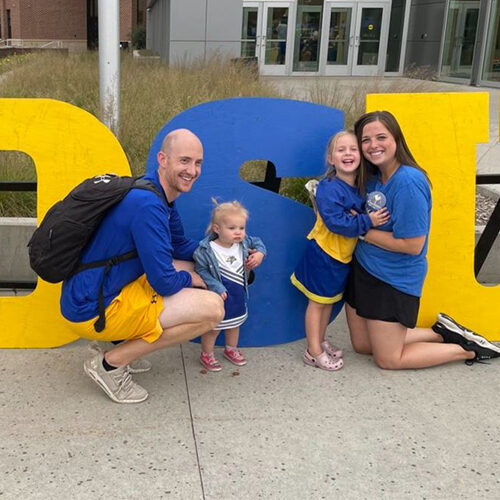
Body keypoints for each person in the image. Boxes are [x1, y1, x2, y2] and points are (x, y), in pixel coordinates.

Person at [60, 129, 224, 403]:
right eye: (184, 161)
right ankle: (110, 364)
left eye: (198, 163)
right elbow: (164, 282)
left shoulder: (154, 192)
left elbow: (181, 246)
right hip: (93, 308)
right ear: (163, 159)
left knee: (187, 265)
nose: (192, 170)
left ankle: (122, 345)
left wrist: (222, 251)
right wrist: (197, 280)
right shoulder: (149, 206)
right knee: (212, 310)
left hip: (91, 292)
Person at [345, 110, 500, 369]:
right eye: (365, 140)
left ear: (396, 139)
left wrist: (361, 231)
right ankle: (440, 332)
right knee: (362, 346)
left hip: (392, 278)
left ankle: (467, 349)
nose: (373, 146)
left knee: (389, 359)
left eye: (381, 137)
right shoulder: (371, 177)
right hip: (363, 269)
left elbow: (412, 245)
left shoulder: (408, 182)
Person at [291, 130, 389, 371]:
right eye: (341, 150)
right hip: (324, 254)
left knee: (327, 303)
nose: (348, 154)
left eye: (353, 149)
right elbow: (337, 223)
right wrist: (368, 221)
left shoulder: (358, 185)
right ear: (331, 159)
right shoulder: (329, 188)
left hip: (340, 256)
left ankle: (320, 340)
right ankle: (312, 351)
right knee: (317, 303)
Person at [193, 200, 266, 371]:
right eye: (232, 228)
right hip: (219, 295)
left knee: (234, 324)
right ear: (217, 229)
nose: (238, 232)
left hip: (237, 293)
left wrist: (260, 254)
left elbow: (258, 243)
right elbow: (201, 270)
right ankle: (207, 354)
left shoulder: (244, 243)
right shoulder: (207, 250)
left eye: (241, 228)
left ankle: (231, 349)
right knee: (213, 327)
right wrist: (216, 286)